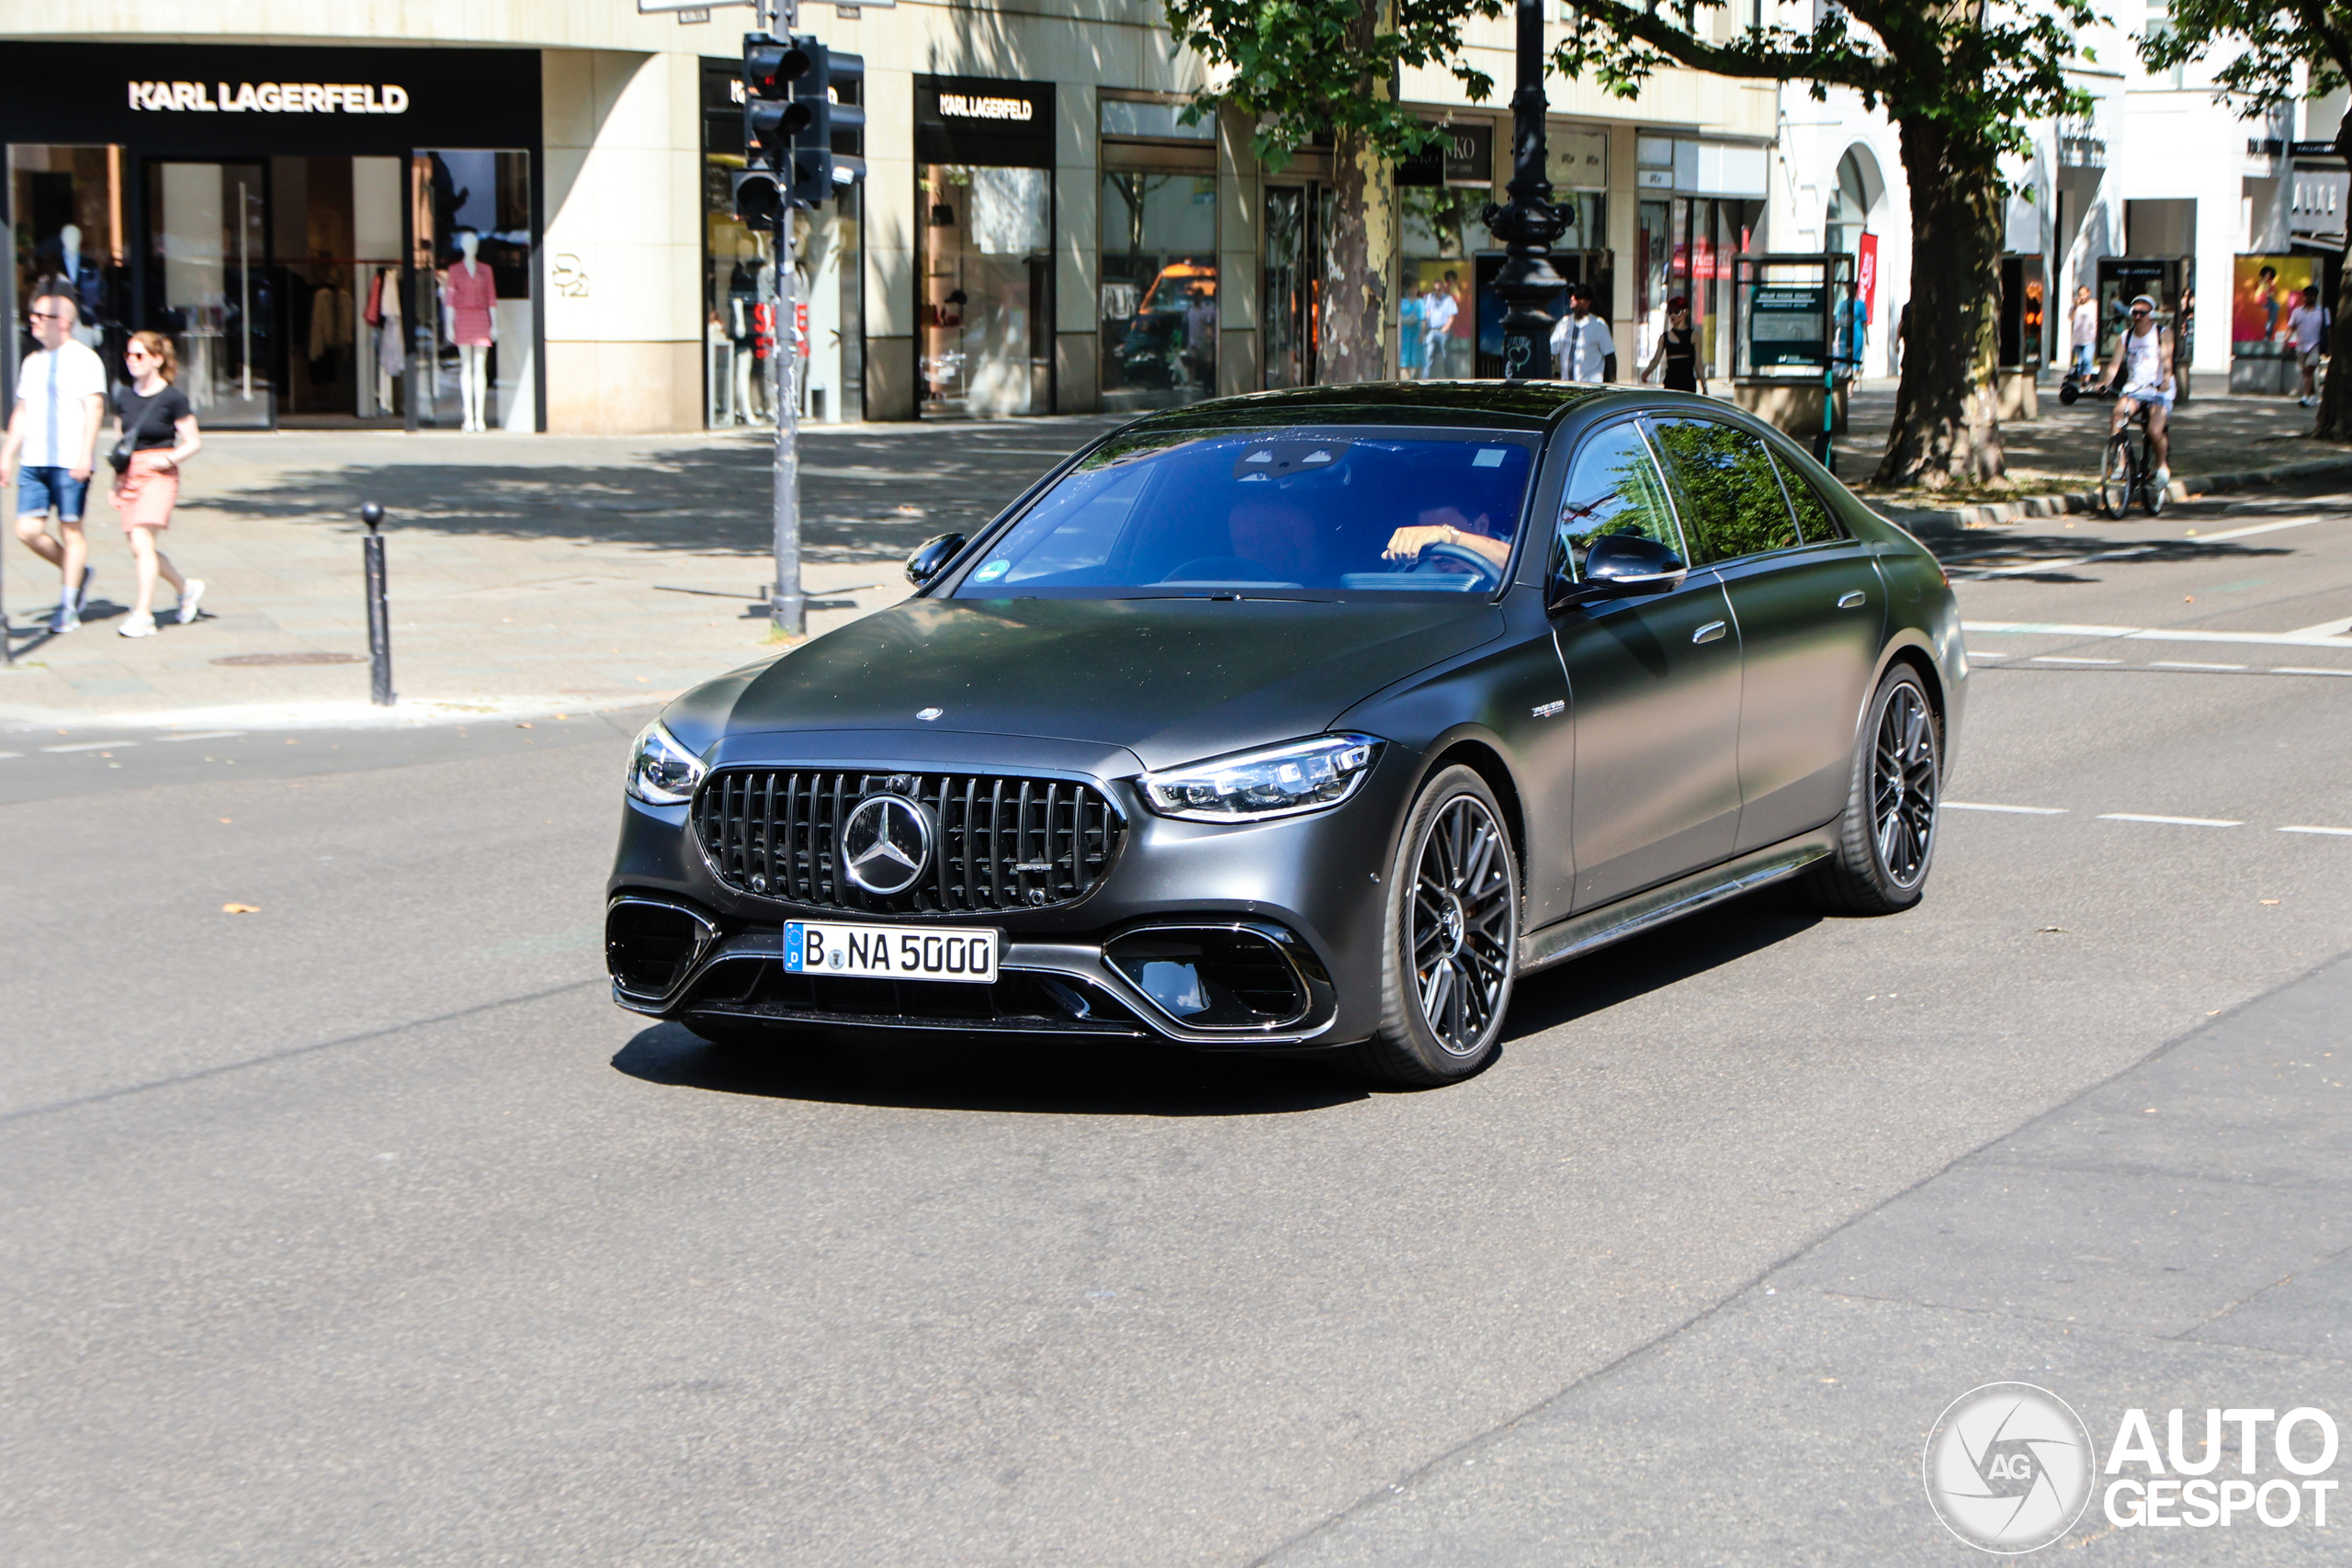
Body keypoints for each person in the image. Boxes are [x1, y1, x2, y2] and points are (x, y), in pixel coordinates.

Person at [2, 291, 107, 633]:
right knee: (27, 530)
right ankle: (78, 573)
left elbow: (95, 409)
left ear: (63, 322)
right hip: (34, 460)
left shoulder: (84, 359)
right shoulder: (32, 362)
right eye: (32, 314)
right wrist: (6, 456)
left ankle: (68, 605)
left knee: (70, 529)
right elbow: (22, 411)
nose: (32, 319)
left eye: (40, 315)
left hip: (68, 460)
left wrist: (84, 453)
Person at [106, 331, 205, 638]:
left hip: (159, 473)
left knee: (141, 540)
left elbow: (194, 442)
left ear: (157, 360)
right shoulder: (123, 396)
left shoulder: (172, 398)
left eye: (139, 356)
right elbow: (121, 442)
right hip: (131, 473)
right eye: (128, 355)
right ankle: (185, 588)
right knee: (140, 547)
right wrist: (115, 481)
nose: (132, 361)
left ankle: (143, 615)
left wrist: (170, 459)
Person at [2103, 294, 2175, 496]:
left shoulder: (2162, 333)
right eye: (2134, 312)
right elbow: (2115, 365)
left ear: (2151, 315)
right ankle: (2121, 462)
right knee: (2118, 414)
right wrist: (2105, 383)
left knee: (2154, 430)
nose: (2138, 316)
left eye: (2142, 313)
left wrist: (2166, 380)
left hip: (2159, 388)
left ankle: (2162, 466)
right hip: (2135, 388)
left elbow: (2167, 360)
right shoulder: (2125, 337)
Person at [1550, 286, 1617, 383]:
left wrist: (1612, 381)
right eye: (1570, 296)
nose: (1572, 299)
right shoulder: (1564, 323)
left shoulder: (1598, 325)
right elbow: (1551, 351)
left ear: (1587, 302)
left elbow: (1610, 355)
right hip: (1566, 386)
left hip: (1590, 387)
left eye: (1577, 297)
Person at [1641, 294, 1704, 393]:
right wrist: (1647, 371)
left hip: (1687, 382)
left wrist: (1704, 385)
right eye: (1670, 312)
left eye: (1677, 311)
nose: (1672, 315)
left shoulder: (1694, 336)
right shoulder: (1664, 337)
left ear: (1685, 312)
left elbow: (1698, 363)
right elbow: (1656, 358)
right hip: (1671, 382)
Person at [2290, 284, 2329, 408]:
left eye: (2311, 296)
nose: (2308, 298)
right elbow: (2291, 327)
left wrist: (2329, 346)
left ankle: (2305, 397)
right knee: (2306, 373)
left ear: (2315, 297)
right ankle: (2312, 395)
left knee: (2309, 370)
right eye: (2306, 296)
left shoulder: (2323, 311)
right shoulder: (2297, 312)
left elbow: (2328, 329)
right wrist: (2286, 340)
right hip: (2301, 346)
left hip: (2315, 345)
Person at [1421, 275, 1459, 379]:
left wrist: (1446, 327)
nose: (1436, 292)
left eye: (1438, 289)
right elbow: (1427, 311)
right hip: (1432, 330)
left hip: (1443, 330)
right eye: (1434, 289)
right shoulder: (1430, 297)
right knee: (1428, 354)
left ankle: (1450, 378)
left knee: (1446, 356)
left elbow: (1452, 316)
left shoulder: (1448, 299)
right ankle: (1425, 379)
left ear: (1443, 289)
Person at [2068, 285, 2097, 378]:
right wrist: (2075, 306)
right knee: (2080, 362)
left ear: (2089, 293)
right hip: (2078, 339)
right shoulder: (2075, 306)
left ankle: (2087, 381)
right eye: (2080, 295)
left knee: (2087, 360)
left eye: (2084, 294)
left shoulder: (2094, 304)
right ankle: (2082, 382)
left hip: (2090, 338)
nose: (2082, 297)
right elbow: (2071, 318)